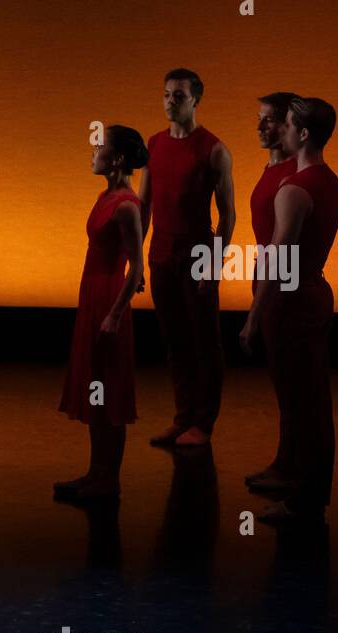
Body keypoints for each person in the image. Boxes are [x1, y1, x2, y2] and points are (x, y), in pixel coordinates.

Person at [240, 97, 338, 523]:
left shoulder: (294, 191)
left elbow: (277, 262)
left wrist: (251, 319)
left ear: (301, 134)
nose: (277, 129)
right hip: (311, 292)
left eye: (285, 124)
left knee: (303, 403)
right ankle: (308, 492)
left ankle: (306, 502)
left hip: (291, 301)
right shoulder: (328, 179)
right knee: (310, 400)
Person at [139, 67, 235, 447]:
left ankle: (203, 423)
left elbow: (227, 214)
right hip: (161, 253)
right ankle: (182, 418)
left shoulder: (213, 149)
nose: (170, 102)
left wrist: (212, 264)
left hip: (196, 255)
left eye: (178, 96)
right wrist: (135, 256)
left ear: (195, 99)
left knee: (203, 341)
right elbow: (144, 204)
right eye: (166, 94)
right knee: (175, 340)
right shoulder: (154, 144)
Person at [55, 126, 147, 500]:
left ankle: (110, 479)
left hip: (108, 297)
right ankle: (96, 472)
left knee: (110, 387)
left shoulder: (126, 205)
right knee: (96, 384)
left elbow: (138, 269)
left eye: (99, 148)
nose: (92, 153)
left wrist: (115, 313)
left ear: (118, 159)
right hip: (92, 294)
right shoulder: (105, 196)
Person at [244, 91, 300, 493]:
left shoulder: (294, 176)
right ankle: (285, 462)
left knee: (293, 385)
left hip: (283, 286)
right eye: (260, 119)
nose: (260, 126)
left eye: (269, 120)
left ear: (289, 126)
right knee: (283, 384)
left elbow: (286, 246)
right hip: (269, 280)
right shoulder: (271, 170)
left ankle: (291, 468)